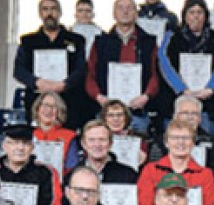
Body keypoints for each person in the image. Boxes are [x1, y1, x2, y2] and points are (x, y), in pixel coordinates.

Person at [155, 0, 214, 134]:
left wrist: (211, 88)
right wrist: (181, 89)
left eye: (199, 12)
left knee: (206, 140)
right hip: (177, 99)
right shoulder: (172, 36)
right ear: (185, 15)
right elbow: (163, 60)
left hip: (207, 103)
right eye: (192, 12)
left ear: (206, 16)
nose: (196, 16)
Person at [85, 0, 160, 132]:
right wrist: (99, 97)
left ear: (136, 13)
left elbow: (156, 74)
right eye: (120, 8)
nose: (125, 12)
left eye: (129, 8)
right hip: (107, 110)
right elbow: (90, 74)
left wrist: (146, 96)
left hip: (137, 111)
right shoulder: (100, 42)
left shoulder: (149, 42)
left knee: (138, 138)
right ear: (114, 13)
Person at [14, 0, 89, 130]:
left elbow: (81, 69)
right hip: (38, 98)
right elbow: (19, 70)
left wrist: (64, 84)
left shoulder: (76, 40)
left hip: (69, 99)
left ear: (60, 13)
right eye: (45, 9)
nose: (50, 13)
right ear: (40, 13)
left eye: (53, 9)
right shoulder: (28, 41)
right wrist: (37, 82)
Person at [137, 119, 214, 205]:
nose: (180, 142)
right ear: (166, 143)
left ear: (193, 143)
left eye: (186, 138)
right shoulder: (150, 170)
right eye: (175, 138)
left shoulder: (205, 174)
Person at [0, 123, 64, 205]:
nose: (20, 148)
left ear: (32, 147)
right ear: (4, 146)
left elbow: (54, 204)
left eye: (26, 143)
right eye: (14, 143)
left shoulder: (46, 172)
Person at [70, 119, 139, 184]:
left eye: (102, 139)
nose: (97, 144)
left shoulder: (129, 175)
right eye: (91, 140)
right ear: (83, 144)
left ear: (110, 143)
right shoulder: (72, 176)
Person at [31, 92, 79, 172]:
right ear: (37, 108)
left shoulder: (69, 136)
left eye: (54, 107)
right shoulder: (28, 134)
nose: (49, 110)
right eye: (45, 105)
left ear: (59, 111)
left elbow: (72, 169)